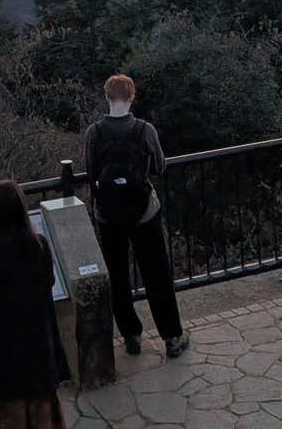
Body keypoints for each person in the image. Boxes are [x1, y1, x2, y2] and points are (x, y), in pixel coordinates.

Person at [82, 74, 188, 358]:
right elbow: (159, 167)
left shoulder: (95, 133)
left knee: (117, 277)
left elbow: (91, 171)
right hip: (144, 212)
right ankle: (172, 337)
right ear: (131, 97)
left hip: (108, 215)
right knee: (157, 274)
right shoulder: (144, 130)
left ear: (107, 97)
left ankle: (131, 336)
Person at [0, 180, 71, 429]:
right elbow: (48, 282)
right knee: (43, 417)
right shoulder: (39, 246)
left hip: (3, 354)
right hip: (39, 350)